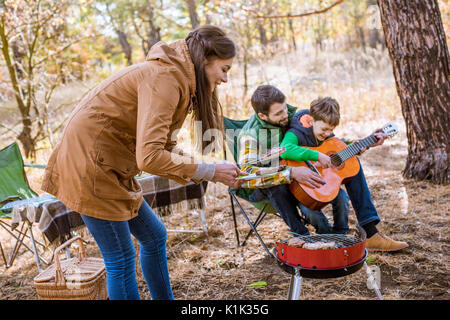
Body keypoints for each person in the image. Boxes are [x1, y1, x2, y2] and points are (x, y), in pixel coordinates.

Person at [41, 25, 245, 300]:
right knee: (121, 258)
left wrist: (209, 170)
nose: (225, 79)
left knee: (154, 236)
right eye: (224, 69)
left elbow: (163, 147)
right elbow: (149, 157)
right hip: (91, 168)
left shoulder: (178, 79)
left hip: (112, 164)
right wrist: (209, 171)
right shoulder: (166, 79)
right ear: (205, 60)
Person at [280, 95, 408, 252]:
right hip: (301, 184)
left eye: (331, 130)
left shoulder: (325, 131)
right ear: (311, 120)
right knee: (347, 173)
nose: (327, 133)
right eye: (324, 129)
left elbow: (333, 143)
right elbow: (285, 149)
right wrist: (317, 156)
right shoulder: (296, 131)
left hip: (321, 181)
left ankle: (369, 231)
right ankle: (357, 234)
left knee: (352, 164)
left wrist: (364, 143)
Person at [234, 85, 326, 236]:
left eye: (285, 108)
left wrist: (349, 143)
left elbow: (318, 139)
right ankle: (302, 235)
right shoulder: (250, 135)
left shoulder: (290, 117)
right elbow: (248, 176)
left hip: (294, 176)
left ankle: (328, 233)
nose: (286, 115)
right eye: (278, 113)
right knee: (276, 186)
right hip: (262, 187)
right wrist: (291, 173)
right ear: (262, 116)